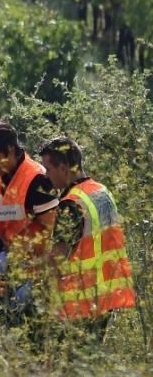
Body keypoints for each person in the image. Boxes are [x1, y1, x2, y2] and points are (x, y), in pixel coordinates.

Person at [39, 136, 135, 335]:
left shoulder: (71, 203)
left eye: (48, 169)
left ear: (63, 168)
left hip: (80, 301)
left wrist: (43, 296)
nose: (46, 176)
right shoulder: (101, 191)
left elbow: (57, 259)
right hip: (106, 295)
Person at [0, 121, 58, 263]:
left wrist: (12, 257)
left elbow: (49, 231)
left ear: (10, 149)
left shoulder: (39, 180)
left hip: (33, 263)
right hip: (4, 251)